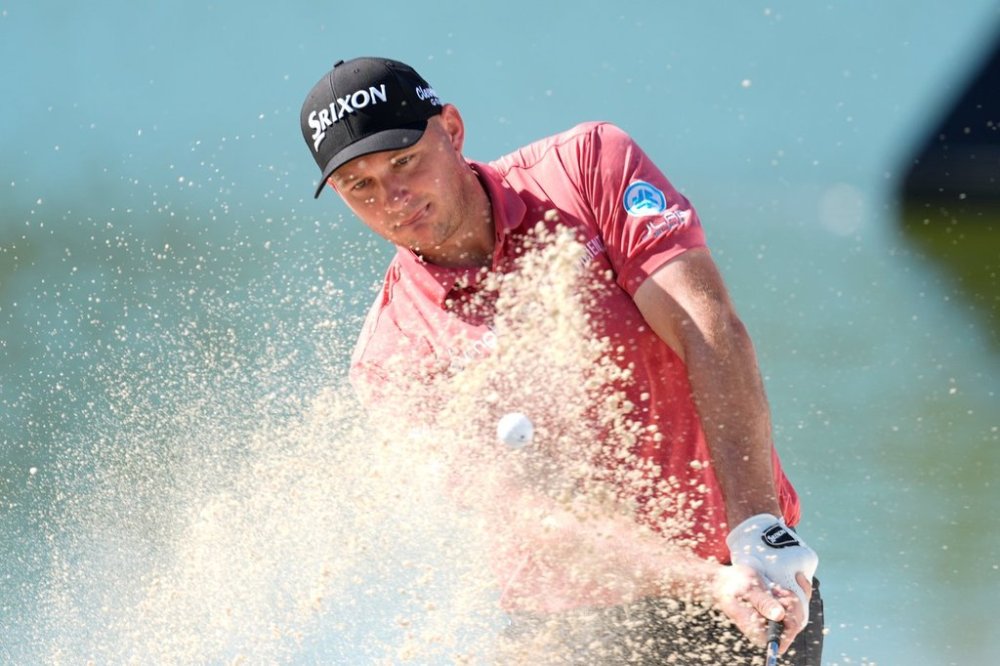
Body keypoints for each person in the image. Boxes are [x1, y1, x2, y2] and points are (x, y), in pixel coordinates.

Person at [300, 56, 823, 664]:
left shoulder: (586, 169)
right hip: (571, 631)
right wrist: (705, 582)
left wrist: (757, 528)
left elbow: (707, 330)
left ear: (452, 130)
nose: (393, 199)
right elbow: (524, 515)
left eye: (404, 161)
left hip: (749, 579)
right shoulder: (392, 354)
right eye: (359, 186)